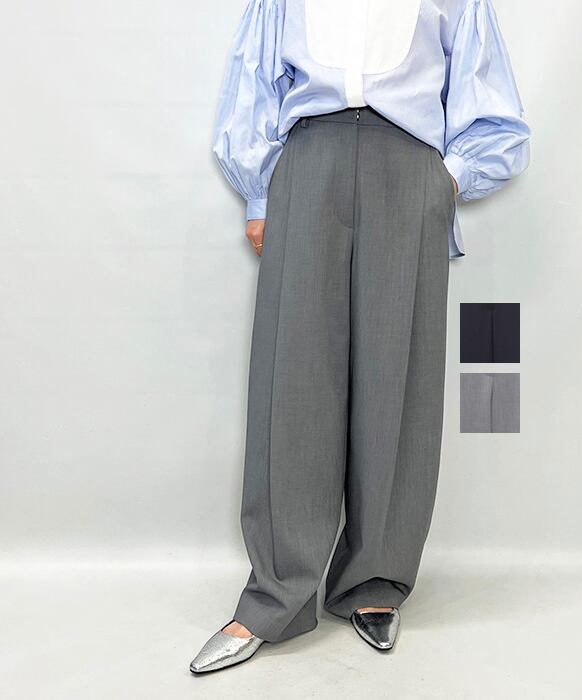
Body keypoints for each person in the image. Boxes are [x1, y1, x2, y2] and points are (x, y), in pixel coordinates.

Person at [190, 0, 530, 673]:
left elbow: (496, 114)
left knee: (398, 382)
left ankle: (374, 581)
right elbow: (253, 81)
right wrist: (260, 193)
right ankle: (276, 597)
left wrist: (445, 181)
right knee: (293, 381)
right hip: (308, 164)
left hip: (409, 169)